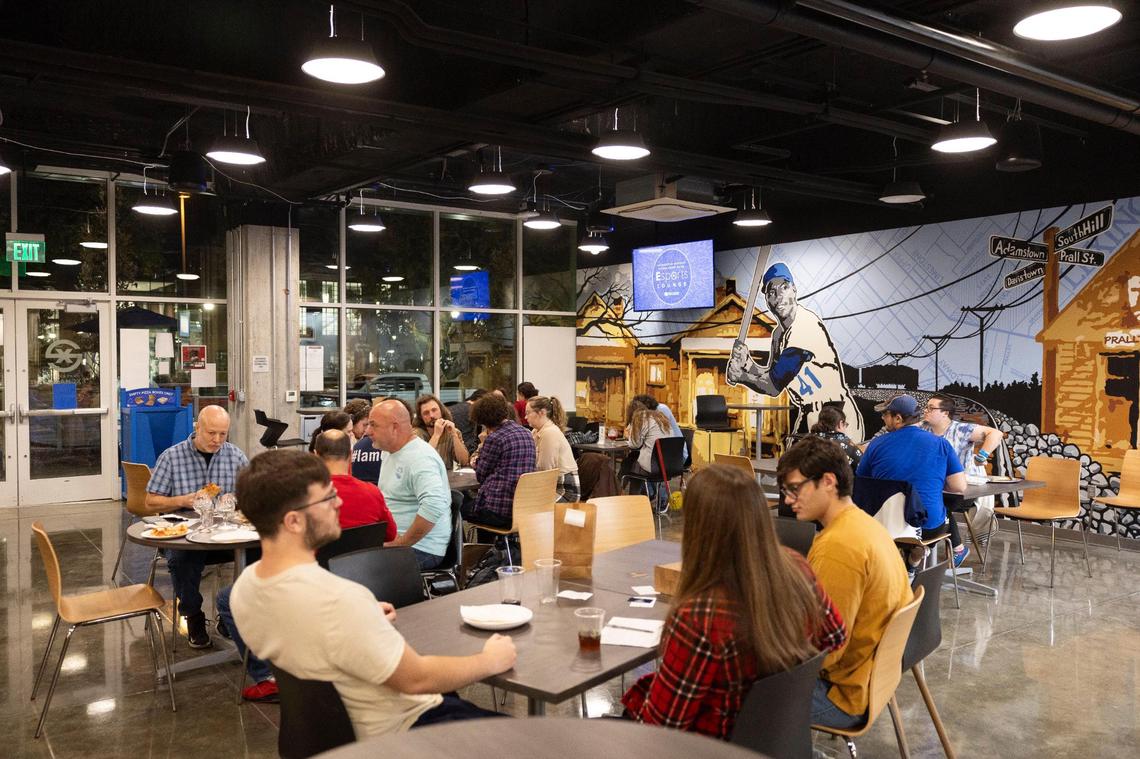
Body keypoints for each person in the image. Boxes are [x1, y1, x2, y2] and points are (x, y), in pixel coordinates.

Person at [229, 449, 515, 736]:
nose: (339, 502)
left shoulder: (245, 589)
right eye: (328, 498)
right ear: (293, 521)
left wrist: (360, 619)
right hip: (404, 729)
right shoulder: (341, 599)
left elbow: (308, 636)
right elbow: (416, 678)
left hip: (331, 735)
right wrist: (489, 660)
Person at [622, 464, 847, 739]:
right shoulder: (797, 567)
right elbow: (835, 636)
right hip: (779, 736)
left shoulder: (699, 616)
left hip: (714, 744)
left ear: (696, 529)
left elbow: (661, 727)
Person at [217, 429, 397, 703]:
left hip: (314, 586)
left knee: (227, 598)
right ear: (350, 455)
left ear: (315, 455)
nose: (336, 503)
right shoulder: (371, 492)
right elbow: (389, 534)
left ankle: (267, 676)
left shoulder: (304, 500)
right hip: (367, 577)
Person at [777, 436, 913, 729]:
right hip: (873, 680)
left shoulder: (838, 546)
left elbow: (821, 653)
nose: (787, 500)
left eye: (795, 489)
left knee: (723, 687)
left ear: (828, 481)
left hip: (841, 695)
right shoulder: (865, 525)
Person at [146, 404, 249, 649]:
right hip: (184, 536)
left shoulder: (235, 456)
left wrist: (236, 497)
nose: (217, 440)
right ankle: (193, 615)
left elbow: (253, 492)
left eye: (223, 434)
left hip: (226, 534)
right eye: (211, 433)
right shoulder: (172, 457)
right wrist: (182, 500)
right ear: (197, 428)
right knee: (181, 560)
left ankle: (230, 611)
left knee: (258, 553)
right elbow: (150, 501)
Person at [726, 263, 865, 442]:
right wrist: (747, 363)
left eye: (784, 287)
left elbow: (772, 385)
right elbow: (770, 375)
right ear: (767, 300)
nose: (779, 296)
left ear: (794, 290)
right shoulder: (778, 334)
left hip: (837, 412)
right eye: (771, 292)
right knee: (792, 456)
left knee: (830, 461)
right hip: (809, 412)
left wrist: (741, 377)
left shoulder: (804, 325)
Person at [857, 395, 969, 566]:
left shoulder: (876, 445)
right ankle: (914, 560)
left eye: (885, 414)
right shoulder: (941, 444)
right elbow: (959, 486)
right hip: (927, 528)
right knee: (942, 513)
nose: (882, 418)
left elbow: (862, 481)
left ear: (898, 418)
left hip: (884, 525)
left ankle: (905, 562)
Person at [369, 400, 453, 569]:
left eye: (373, 425)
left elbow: (434, 505)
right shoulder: (389, 452)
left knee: (355, 568)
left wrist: (400, 544)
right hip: (394, 539)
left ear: (394, 427)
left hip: (422, 547)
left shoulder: (420, 458)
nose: (368, 431)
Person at [923, 394, 1004, 537]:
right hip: (935, 487)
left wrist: (982, 455)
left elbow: (996, 434)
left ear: (945, 413)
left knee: (934, 503)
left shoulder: (961, 429)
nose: (925, 411)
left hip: (959, 491)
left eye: (931, 408)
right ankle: (951, 546)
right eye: (926, 407)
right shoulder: (923, 429)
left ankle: (940, 544)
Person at [462, 393, 535, 530]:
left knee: (456, 505)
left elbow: (481, 475)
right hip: (523, 509)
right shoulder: (526, 433)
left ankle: (468, 545)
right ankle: (494, 543)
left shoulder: (494, 438)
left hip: (498, 511)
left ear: (482, 420)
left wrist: (476, 462)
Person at [525, 395, 580, 502]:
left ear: (542, 412)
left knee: (529, 505)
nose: (525, 417)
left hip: (565, 490)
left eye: (528, 413)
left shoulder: (549, 433)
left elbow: (545, 470)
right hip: (552, 485)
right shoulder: (536, 431)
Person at [412, 393, 470, 469]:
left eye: (434, 410)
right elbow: (421, 462)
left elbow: (464, 461)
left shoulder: (453, 432)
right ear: (421, 417)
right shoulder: (415, 435)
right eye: (426, 413)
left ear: (441, 411)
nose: (431, 415)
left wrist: (454, 435)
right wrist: (436, 435)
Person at [622, 399, 676, 481]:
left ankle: (618, 486)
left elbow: (634, 445)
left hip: (654, 466)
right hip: (670, 464)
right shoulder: (659, 415)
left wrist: (628, 437)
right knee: (633, 460)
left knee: (628, 462)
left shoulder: (638, 418)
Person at [633, 393, 687, 463]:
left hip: (676, 455)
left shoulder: (660, 410)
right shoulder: (657, 410)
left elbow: (658, 435)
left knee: (635, 458)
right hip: (669, 454)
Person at [809, 405, 862, 469]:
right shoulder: (848, 446)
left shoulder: (808, 441)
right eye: (845, 424)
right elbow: (863, 468)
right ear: (840, 424)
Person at [449, 388, 486, 455]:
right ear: (479, 400)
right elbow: (470, 438)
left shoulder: (454, 407)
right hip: (464, 450)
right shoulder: (473, 411)